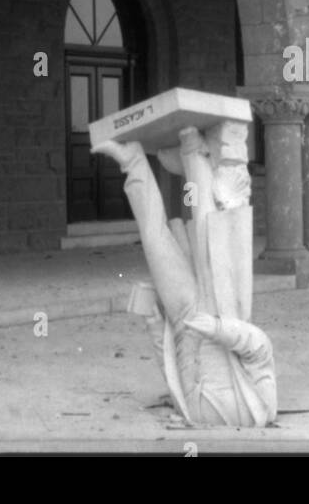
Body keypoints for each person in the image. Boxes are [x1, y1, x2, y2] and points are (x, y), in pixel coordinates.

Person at [93, 126, 277, 428]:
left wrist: (154, 323)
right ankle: (193, 150)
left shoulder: (191, 414)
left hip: (182, 321)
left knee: (154, 240)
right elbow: (260, 349)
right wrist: (218, 328)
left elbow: (172, 368)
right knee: (207, 228)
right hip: (219, 309)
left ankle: (132, 161)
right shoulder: (260, 410)